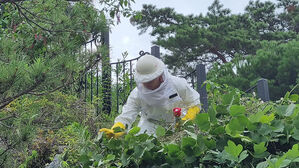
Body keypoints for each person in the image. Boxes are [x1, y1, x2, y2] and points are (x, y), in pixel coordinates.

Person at [99, 54, 201, 138]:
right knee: (141, 145)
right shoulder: (137, 93)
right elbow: (126, 116)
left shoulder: (176, 84)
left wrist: (187, 120)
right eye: (143, 81)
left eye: (149, 80)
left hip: (178, 124)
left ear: (159, 76)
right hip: (150, 125)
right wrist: (116, 129)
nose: (145, 84)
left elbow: (194, 102)